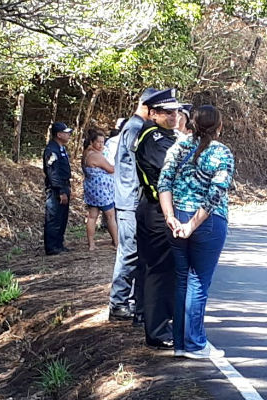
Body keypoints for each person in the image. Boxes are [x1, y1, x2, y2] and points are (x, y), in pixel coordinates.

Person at [158, 105, 234, 359]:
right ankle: (195, 343)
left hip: (176, 215)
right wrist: (193, 224)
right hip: (208, 221)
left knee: (182, 279)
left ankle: (181, 342)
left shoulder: (177, 147)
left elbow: (164, 182)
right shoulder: (221, 152)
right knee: (199, 281)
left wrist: (169, 216)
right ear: (218, 127)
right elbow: (216, 192)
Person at [135, 88, 181, 349]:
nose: (173, 116)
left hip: (159, 208)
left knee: (163, 269)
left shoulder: (166, 136)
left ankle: (158, 320)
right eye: (167, 112)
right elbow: (171, 171)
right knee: (159, 271)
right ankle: (157, 330)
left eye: (175, 111)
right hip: (156, 208)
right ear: (153, 113)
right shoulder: (153, 138)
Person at [108, 88, 157, 322]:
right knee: (129, 252)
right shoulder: (136, 128)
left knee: (132, 252)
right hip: (130, 200)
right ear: (147, 107)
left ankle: (124, 301)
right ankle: (118, 303)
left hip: (131, 198)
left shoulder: (134, 127)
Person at [82, 129, 118, 250]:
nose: (101, 145)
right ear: (92, 142)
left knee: (93, 215)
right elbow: (111, 169)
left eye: (103, 142)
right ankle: (117, 243)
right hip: (101, 191)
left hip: (92, 189)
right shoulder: (95, 156)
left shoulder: (87, 153)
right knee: (110, 216)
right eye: (98, 142)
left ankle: (92, 244)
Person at [43, 122, 73, 256]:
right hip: (56, 188)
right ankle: (51, 247)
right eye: (66, 133)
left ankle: (59, 244)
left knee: (62, 217)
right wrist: (60, 190)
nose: (69, 135)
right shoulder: (51, 150)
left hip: (64, 185)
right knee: (54, 217)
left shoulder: (60, 148)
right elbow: (52, 172)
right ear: (59, 134)